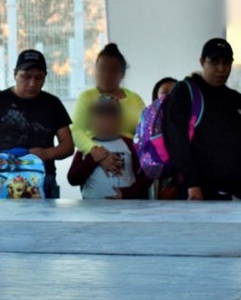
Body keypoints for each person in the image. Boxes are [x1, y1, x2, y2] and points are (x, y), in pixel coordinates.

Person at [0, 49, 74, 198]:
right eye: (26, 76)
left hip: (43, 178)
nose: (32, 83)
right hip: (4, 178)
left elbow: (68, 145)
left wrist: (46, 153)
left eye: (39, 78)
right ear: (15, 75)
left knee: (45, 221)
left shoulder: (53, 103)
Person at [163, 39, 241, 200]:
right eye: (214, 62)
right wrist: (192, 183)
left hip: (231, 192)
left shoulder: (234, 99)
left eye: (226, 63)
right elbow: (176, 139)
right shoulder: (185, 91)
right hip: (196, 191)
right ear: (202, 61)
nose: (221, 69)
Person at [71, 43, 146, 169]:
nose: (106, 74)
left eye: (112, 70)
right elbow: (76, 130)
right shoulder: (86, 97)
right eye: (102, 68)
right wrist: (95, 151)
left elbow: (144, 132)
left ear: (122, 74)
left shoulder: (135, 99)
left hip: (130, 161)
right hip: (94, 161)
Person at [67, 95, 150, 199]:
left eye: (110, 117)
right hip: (92, 209)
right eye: (100, 117)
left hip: (126, 209)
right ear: (92, 121)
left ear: (119, 120)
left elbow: (145, 177)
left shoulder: (130, 145)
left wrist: (126, 194)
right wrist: (92, 159)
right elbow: (72, 179)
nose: (105, 122)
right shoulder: (87, 146)